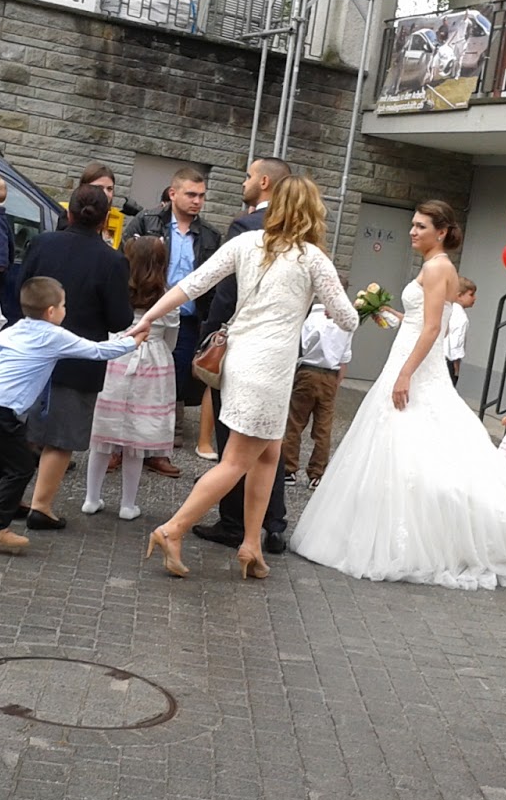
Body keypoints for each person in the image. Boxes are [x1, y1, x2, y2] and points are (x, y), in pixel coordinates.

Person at [290, 201, 506, 590]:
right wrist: (393, 317)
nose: (412, 231)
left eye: (420, 226)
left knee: (411, 437)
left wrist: (405, 373)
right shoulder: (436, 266)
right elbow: (428, 321)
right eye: (412, 225)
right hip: (410, 354)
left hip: (416, 365)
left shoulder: (438, 267)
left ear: (441, 231)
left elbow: (435, 328)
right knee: (397, 439)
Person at [134, 175, 358, 580]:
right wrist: (348, 305)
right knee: (237, 461)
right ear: (313, 212)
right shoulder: (312, 258)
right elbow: (347, 318)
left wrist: (148, 317)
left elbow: (192, 284)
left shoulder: (246, 243)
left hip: (239, 359)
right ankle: (172, 529)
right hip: (271, 369)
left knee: (268, 455)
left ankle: (251, 545)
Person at [0, 277, 140, 552]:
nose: (65, 310)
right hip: (2, 412)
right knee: (20, 468)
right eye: (64, 305)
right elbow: (96, 350)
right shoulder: (54, 336)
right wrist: (132, 342)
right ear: (51, 311)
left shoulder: (12, 330)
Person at [193, 156, 294, 550]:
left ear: (264, 182)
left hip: (242, 347)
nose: (244, 182)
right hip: (281, 353)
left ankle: (233, 522)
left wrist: (210, 336)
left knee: (232, 436)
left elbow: (226, 293)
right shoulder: (301, 231)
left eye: (249, 175)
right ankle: (274, 524)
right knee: (270, 439)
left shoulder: (247, 226)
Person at [19, 184, 132, 529]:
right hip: (80, 359)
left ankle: (9, 497)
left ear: (68, 213)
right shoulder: (113, 261)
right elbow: (120, 320)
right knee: (61, 438)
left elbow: (21, 289)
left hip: (32, 352)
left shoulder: (41, 243)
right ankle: (41, 506)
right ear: (105, 221)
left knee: (24, 430)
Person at [122, 166, 222, 477]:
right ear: (173, 193)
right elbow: (124, 259)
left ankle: (158, 449)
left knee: (171, 384)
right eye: (191, 194)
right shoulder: (146, 221)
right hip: (141, 312)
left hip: (186, 320)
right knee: (129, 378)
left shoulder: (209, 236)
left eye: (201, 196)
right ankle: (117, 447)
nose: (197, 201)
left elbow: (213, 282)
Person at [85, 237, 177, 521]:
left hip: (115, 355)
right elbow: (171, 339)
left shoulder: (117, 289)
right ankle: (128, 505)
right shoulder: (168, 297)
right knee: (137, 438)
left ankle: (91, 498)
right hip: (152, 364)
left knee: (103, 434)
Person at [281, 300, 353, 490]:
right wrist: (336, 383)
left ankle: (289, 469)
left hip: (306, 372)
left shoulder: (308, 317)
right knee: (323, 427)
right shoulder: (345, 320)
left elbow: (299, 347)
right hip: (330, 375)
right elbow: (345, 357)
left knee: (295, 423)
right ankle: (317, 473)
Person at [443, 276, 476, 386]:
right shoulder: (462, 318)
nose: (475, 298)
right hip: (448, 361)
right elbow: (456, 346)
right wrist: (456, 370)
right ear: (459, 296)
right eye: (471, 295)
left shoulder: (447, 310)